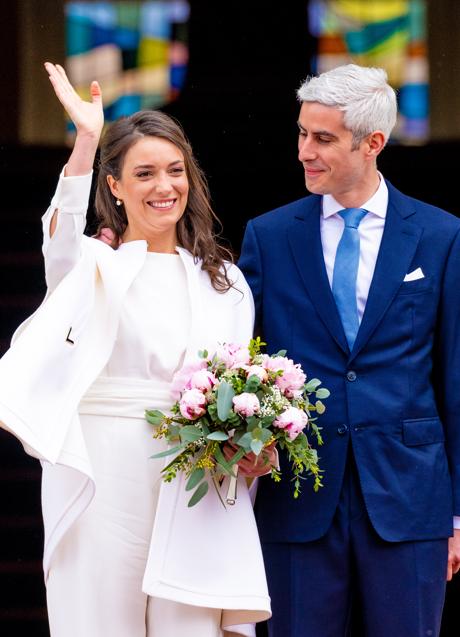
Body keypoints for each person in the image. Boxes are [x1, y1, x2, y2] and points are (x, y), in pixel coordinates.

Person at [0, 62, 271, 637]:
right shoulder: (92, 265)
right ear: (115, 187)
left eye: (175, 171)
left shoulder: (224, 280)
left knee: (190, 623)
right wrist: (88, 141)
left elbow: (240, 380)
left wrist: (254, 443)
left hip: (196, 472)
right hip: (105, 468)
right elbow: (63, 230)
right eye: (144, 173)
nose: (163, 186)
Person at [238, 64, 460, 637]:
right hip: (297, 495)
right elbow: (235, 350)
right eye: (302, 133)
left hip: (411, 498)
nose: (303, 151)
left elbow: (455, 378)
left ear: (373, 144)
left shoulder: (439, 235)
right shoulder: (269, 235)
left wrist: (457, 513)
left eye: (323, 139)